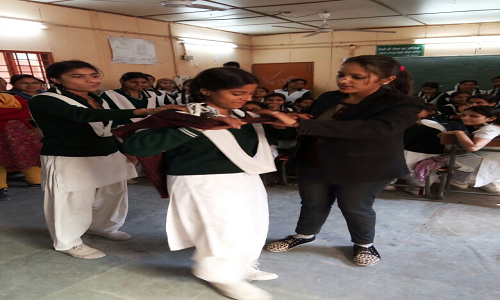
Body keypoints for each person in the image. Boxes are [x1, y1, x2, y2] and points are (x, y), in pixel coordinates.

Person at [122, 67, 297, 300]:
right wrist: (198, 126)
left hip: (244, 177)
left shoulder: (245, 115)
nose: (246, 98)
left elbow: (269, 137)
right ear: (205, 90)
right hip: (200, 180)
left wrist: (281, 124)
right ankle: (221, 276)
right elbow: (135, 146)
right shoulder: (182, 115)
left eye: (250, 93)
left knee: (252, 224)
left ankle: (242, 266)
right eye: (238, 93)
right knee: (221, 230)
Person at [265, 55, 423, 267]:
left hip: (364, 166)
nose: (344, 80)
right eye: (341, 75)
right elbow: (312, 123)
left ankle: (364, 243)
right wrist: (290, 121)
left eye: (356, 77)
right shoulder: (330, 97)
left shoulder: (402, 103)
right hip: (314, 160)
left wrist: (300, 125)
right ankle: (304, 235)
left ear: (386, 79)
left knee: (355, 206)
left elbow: (374, 129)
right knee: (313, 202)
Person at [28, 60, 170, 260]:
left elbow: (105, 128)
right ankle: (69, 242)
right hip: (70, 155)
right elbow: (83, 115)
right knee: (73, 199)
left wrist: (123, 148)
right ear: (55, 79)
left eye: (94, 75)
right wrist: (145, 111)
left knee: (113, 191)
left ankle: (103, 226)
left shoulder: (93, 97)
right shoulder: (43, 100)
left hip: (106, 151)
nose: (90, 80)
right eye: (78, 76)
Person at [440, 106, 500, 193]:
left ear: (491, 118)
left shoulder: (488, 130)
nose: (466, 118)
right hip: (491, 160)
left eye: (474, 116)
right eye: (463, 115)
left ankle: (460, 181)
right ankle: (464, 181)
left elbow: (473, 147)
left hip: (487, 162)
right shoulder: (494, 127)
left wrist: (459, 132)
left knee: (438, 159)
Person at [0, 93, 42, 201]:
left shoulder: (11, 97)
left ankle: (35, 181)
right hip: (8, 132)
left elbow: (28, 110)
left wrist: (5, 113)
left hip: (21, 133)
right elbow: (23, 111)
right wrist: (17, 112)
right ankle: (1, 188)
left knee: (28, 155)